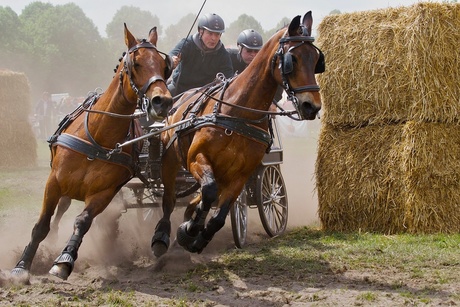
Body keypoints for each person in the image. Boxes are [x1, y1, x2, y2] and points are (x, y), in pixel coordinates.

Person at [167, 13, 233, 96]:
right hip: (179, 89)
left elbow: (229, 78)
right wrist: (172, 60)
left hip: (205, 95)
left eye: (217, 34)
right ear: (200, 31)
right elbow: (172, 55)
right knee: (160, 99)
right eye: (210, 33)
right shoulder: (188, 43)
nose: (214, 38)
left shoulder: (223, 54)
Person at [228, 29, 283, 106]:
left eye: (256, 51)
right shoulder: (228, 57)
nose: (253, 55)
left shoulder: (267, 63)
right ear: (240, 48)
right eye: (249, 51)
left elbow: (277, 90)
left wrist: (271, 103)